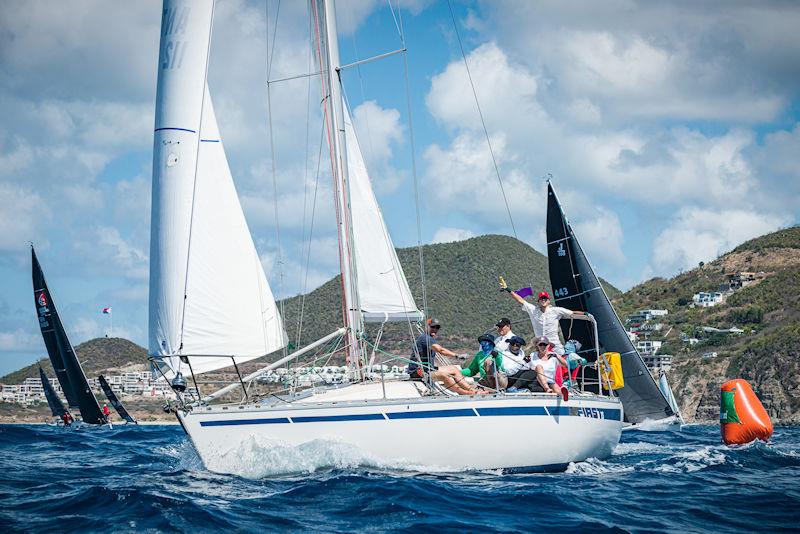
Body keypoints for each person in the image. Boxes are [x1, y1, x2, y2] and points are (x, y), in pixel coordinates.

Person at [502, 287, 591, 355]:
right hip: (540, 346)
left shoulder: (556, 310)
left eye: (545, 299)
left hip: (555, 345)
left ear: (548, 301)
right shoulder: (533, 310)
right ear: (538, 301)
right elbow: (521, 300)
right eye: (541, 299)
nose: (543, 300)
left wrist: (586, 314)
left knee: (564, 363)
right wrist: (508, 289)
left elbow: (572, 313)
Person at [409, 318, 475, 395]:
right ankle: (464, 392)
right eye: (432, 327)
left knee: (454, 369)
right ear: (427, 327)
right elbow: (440, 350)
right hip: (418, 372)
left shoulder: (429, 338)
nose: (435, 329)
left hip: (428, 369)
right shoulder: (425, 338)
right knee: (444, 375)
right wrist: (457, 356)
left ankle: (471, 390)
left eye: (437, 327)